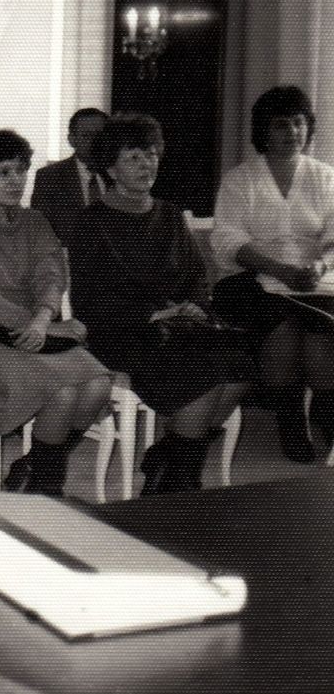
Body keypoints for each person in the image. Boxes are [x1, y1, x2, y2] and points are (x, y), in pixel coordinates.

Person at [69, 115, 255, 494]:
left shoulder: (169, 215)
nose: (146, 165)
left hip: (177, 327)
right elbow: (88, 301)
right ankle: (178, 480)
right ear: (110, 167)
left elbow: (195, 277)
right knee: (200, 373)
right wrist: (155, 313)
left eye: (151, 155)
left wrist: (196, 306)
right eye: (133, 157)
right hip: (120, 332)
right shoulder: (91, 222)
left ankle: (170, 457)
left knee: (242, 361)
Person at [0, 129, 113, 497]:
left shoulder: (34, 221)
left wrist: (44, 317)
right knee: (62, 394)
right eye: (3, 172)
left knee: (98, 385)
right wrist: (39, 324)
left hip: (38, 328)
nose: (16, 180)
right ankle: (46, 487)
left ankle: (33, 468)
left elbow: (51, 274)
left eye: (20, 170)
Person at [211, 86, 334, 464]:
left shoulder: (325, 177)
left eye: (299, 122)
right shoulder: (240, 179)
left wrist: (319, 266)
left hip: (313, 280)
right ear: (263, 129)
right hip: (249, 279)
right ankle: (290, 415)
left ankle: (324, 409)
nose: (293, 132)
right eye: (281, 124)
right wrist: (280, 270)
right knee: (285, 326)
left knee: (318, 329)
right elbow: (226, 240)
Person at [31, 107, 110, 243]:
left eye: (100, 136)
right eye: (86, 136)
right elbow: (39, 230)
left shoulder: (120, 175)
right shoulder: (49, 177)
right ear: (71, 140)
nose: (94, 142)